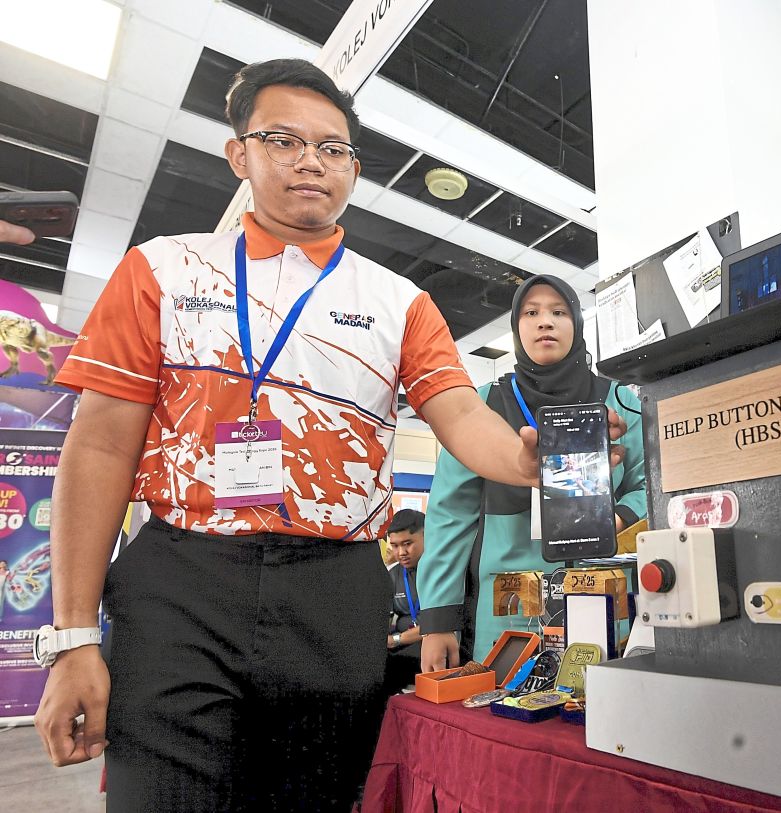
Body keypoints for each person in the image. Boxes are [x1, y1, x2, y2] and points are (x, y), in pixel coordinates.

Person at [31, 58, 625, 812]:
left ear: (352, 166)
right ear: (238, 153)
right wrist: (72, 638)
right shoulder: (160, 270)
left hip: (336, 591)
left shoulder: (398, 301)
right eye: (284, 139)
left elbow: (462, 415)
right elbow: (99, 450)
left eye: (333, 147)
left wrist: (525, 458)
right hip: (185, 582)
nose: (311, 160)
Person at [418, 275, 647, 671]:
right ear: (516, 328)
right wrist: (438, 622)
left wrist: (619, 515)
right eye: (531, 313)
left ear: (576, 323)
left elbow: (650, 487)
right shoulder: (485, 406)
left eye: (559, 312)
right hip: (506, 605)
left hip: (601, 593)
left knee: (601, 707)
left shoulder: (619, 403)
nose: (546, 322)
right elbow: (450, 514)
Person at [385, 508, 424, 691]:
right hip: (400, 647)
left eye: (407, 543)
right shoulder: (392, 575)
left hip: (430, 644)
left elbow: (441, 624)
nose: (401, 552)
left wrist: (396, 639)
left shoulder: (442, 572)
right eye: (395, 545)